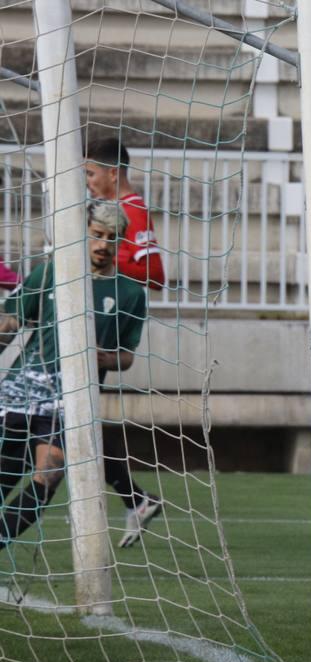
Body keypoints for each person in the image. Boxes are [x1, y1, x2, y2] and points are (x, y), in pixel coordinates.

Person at [0, 202, 147, 557]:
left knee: (48, 477)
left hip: (70, 399)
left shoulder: (130, 294)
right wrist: (7, 326)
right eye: (96, 235)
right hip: (20, 389)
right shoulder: (51, 273)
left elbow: (126, 357)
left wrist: (106, 357)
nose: (102, 245)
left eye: (112, 239)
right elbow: (11, 320)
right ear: (84, 233)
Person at [84, 135, 165, 548]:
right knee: (75, 425)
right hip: (94, 315)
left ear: (113, 174)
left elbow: (154, 273)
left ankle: (135, 497)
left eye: (91, 173)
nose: (88, 182)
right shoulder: (115, 211)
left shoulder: (131, 212)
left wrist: (97, 261)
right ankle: (135, 498)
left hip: (105, 322)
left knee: (72, 425)